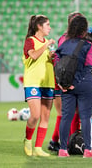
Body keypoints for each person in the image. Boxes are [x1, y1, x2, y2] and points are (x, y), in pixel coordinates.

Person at [56, 15, 92, 158]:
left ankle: (63, 149)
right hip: (83, 84)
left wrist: (61, 84)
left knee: (66, 117)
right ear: (84, 29)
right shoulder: (87, 45)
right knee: (86, 117)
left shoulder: (64, 44)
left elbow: (57, 64)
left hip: (65, 86)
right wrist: (76, 83)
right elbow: (88, 66)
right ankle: (87, 150)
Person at [48, 12, 83, 153]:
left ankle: (60, 141)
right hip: (64, 80)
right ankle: (67, 142)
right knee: (66, 112)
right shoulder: (65, 39)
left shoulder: (79, 39)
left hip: (74, 79)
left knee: (72, 112)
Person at [22, 15, 55, 157]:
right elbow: (33, 56)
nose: (50, 27)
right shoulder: (30, 41)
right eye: (47, 25)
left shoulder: (46, 43)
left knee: (45, 116)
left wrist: (53, 57)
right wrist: (46, 46)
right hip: (33, 83)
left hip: (48, 83)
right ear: (39, 27)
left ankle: (38, 147)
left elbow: (46, 62)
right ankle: (28, 140)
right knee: (35, 115)